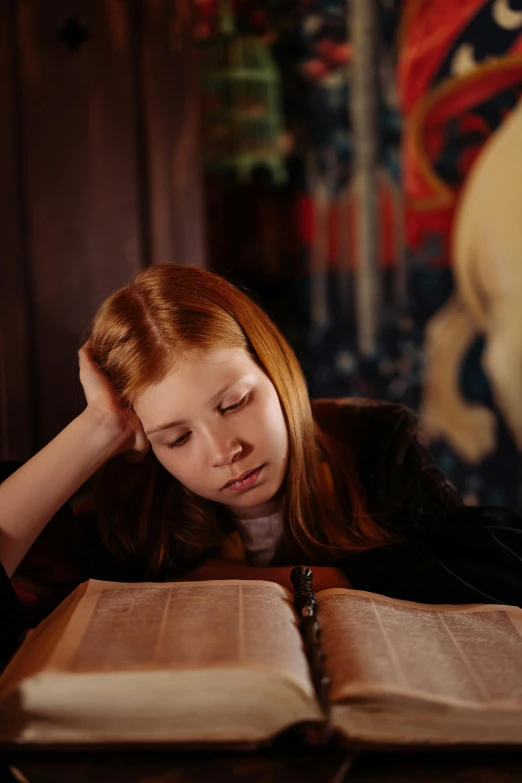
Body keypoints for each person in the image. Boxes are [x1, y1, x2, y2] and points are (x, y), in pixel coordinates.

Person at [1, 264, 521, 666]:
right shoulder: (135, 509)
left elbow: (499, 568)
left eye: (233, 404)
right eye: (177, 438)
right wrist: (97, 430)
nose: (224, 450)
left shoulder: (374, 445)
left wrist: (280, 578)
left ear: (274, 367)